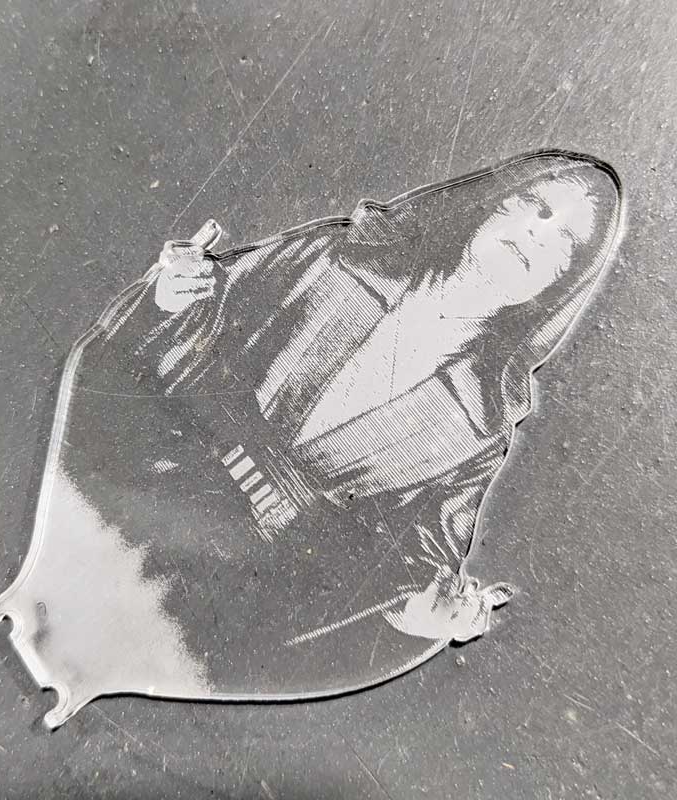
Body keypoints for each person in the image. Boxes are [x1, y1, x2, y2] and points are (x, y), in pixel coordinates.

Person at [60, 151, 622, 695]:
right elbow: (187, 325)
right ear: (491, 205)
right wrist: (169, 295)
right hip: (135, 489)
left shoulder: (483, 423)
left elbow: (411, 560)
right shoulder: (339, 257)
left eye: (565, 243)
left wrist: (433, 614)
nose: (538, 234)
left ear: (560, 286)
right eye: (536, 206)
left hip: (226, 592)